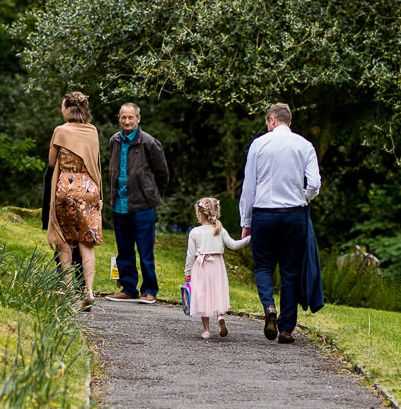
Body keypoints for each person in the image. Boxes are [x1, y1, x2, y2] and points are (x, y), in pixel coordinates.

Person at [239, 102, 323, 342]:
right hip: (294, 214)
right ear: (289, 122)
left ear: (272, 121)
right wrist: (305, 197)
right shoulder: (304, 145)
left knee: (264, 266)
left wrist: (246, 221)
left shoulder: (259, 144)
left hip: (264, 214)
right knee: (290, 270)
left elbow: (249, 187)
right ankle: (286, 329)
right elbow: (315, 183)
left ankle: (269, 307)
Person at [104, 102, 169, 303]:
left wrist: (150, 194)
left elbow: (162, 174)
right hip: (119, 204)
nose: (127, 121)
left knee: (145, 249)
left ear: (138, 119)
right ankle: (128, 287)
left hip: (143, 205)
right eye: (123, 117)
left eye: (130, 117)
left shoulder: (149, 142)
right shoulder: (114, 140)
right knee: (124, 248)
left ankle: (149, 290)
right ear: (119, 118)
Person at [47, 91, 103, 309]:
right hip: (89, 188)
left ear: (67, 109)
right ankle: (88, 291)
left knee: (64, 241)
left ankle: (69, 292)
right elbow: (95, 161)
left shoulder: (60, 131)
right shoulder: (93, 131)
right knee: (85, 242)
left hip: (67, 188)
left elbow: (52, 162)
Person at [184, 196, 250, 340]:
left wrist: (187, 271)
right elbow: (233, 245)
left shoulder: (195, 232)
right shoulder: (220, 230)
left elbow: (190, 254)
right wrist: (248, 239)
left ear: (199, 213)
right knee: (216, 292)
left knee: (203, 296)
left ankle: (207, 330)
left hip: (201, 267)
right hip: (217, 266)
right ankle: (219, 316)